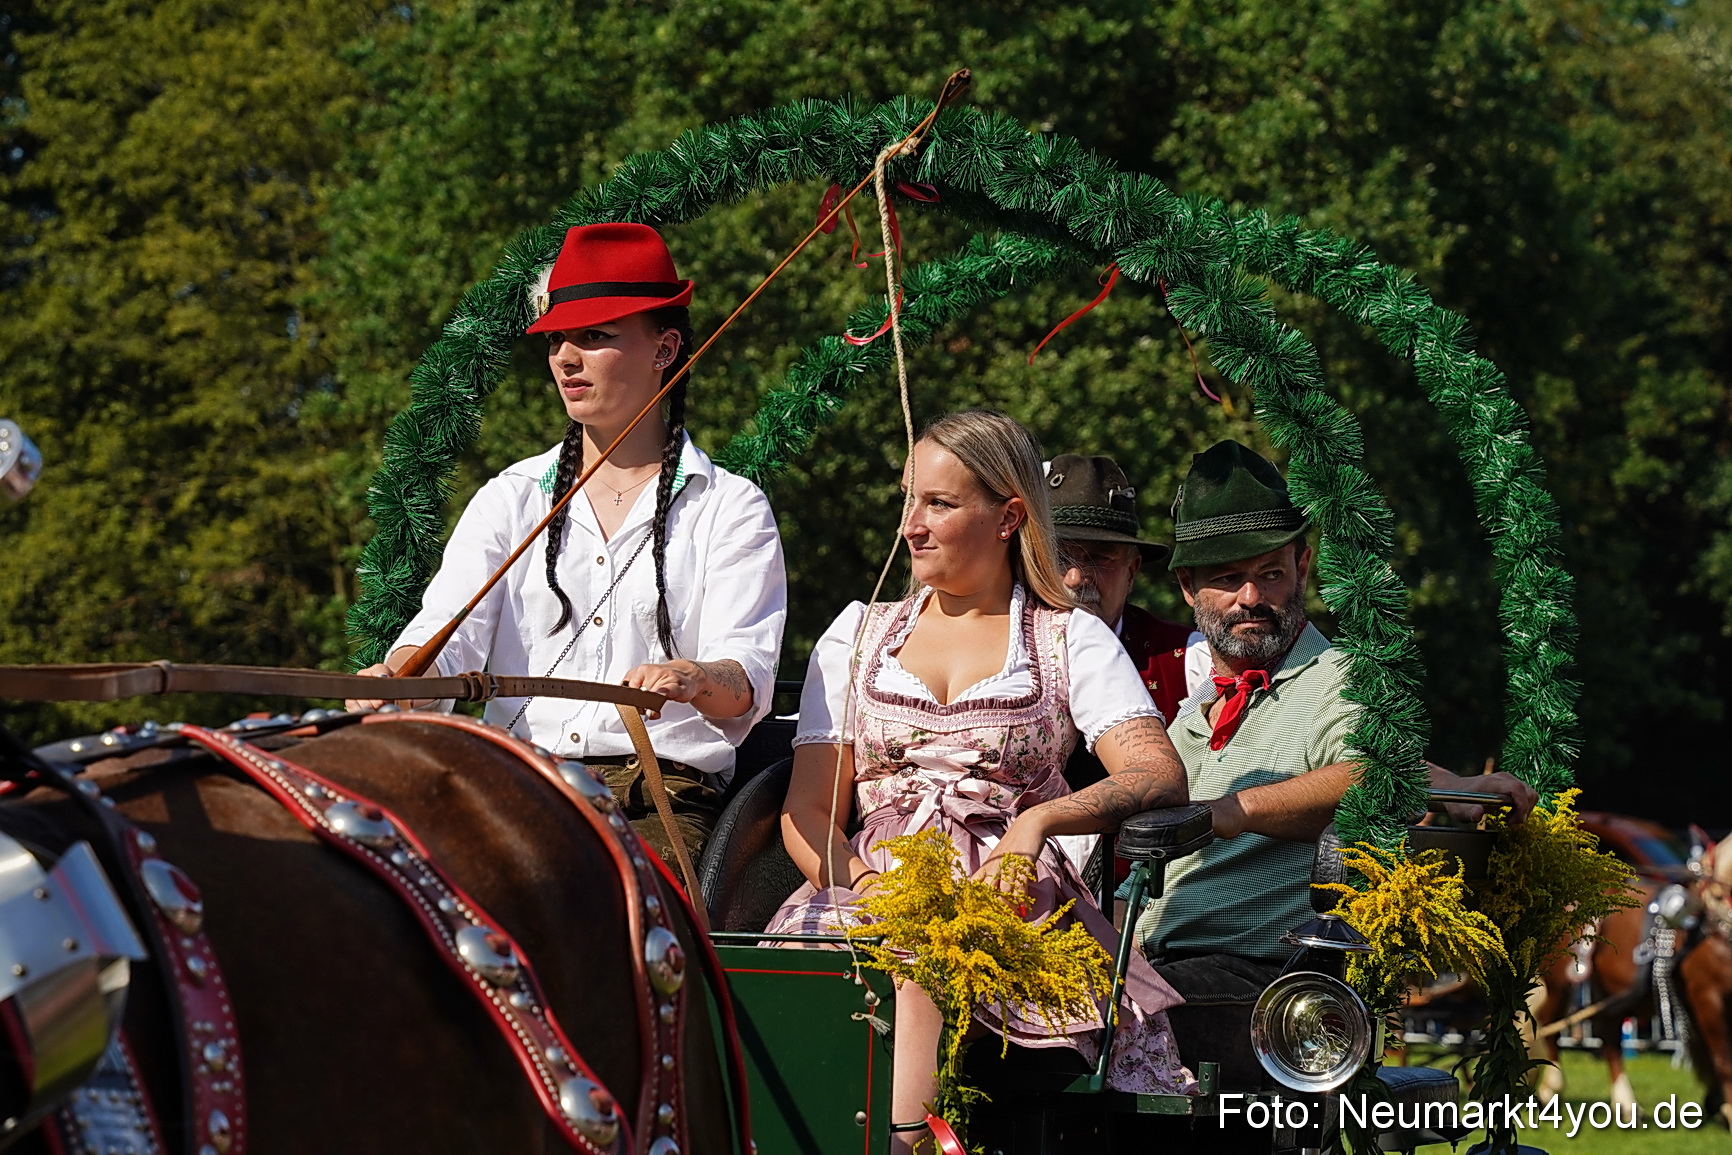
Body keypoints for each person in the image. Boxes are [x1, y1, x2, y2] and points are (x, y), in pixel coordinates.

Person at [769, 410, 1195, 1152]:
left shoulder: (1068, 638)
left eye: (939, 503)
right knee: (882, 963)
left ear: (1009, 517)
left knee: (931, 962)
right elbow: (806, 809)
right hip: (863, 892)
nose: (912, 525)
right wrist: (867, 888)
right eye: (909, 499)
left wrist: (1033, 828)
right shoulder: (857, 632)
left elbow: (1160, 773)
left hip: (1010, 907)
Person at [350, 223, 787, 866]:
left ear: (665, 347)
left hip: (658, 800)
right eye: (557, 339)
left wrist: (692, 677)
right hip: (509, 785)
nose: (565, 358)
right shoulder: (511, 496)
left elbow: (743, 682)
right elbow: (447, 638)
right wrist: (400, 677)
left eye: (595, 337)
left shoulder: (730, 507)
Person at [1134, 440, 1536, 1078]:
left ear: (1303, 563)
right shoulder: (1192, 712)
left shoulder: (1346, 679)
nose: (1250, 596)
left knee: (1089, 1021)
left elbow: (1372, 769)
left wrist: (1229, 812)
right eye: (1226, 577)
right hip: (1161, 962)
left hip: (1269, 979)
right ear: (1187, 587)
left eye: (1270, 572)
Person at [1048, 453, 1197, 723]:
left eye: (1099, 558)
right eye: (1059, 557)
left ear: (1131, 572)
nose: (1075, 578)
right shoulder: (997, 650)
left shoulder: (1191, 660)